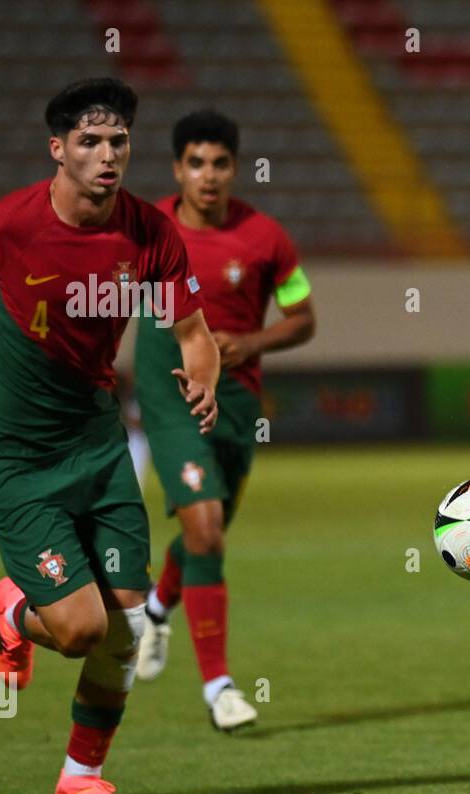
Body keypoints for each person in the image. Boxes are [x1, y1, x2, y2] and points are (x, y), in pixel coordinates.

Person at [0, 78, 219, 794]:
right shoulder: (2, 227)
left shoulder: (150, 232)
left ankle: (79, 781)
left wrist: (204, 376)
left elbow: (191, 332)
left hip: (98, 445)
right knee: (81, 630)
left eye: (118, 141)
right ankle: (16, 609)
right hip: (15, 454)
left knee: (127, 621)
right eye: (89, 141)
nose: (107, 154)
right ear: (58, 149)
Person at [134, 110, 315, 731]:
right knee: (207, 529)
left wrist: (253, 340)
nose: (208, 176)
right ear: (177, 168)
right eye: (195, 163)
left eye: (219, 164)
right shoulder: (145, 230)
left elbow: (304, 316)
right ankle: (219, 688)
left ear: (235, 168)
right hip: (170, 396)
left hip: (237, 403)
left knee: (204, 531)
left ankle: (156, 611)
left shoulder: (267, 239)